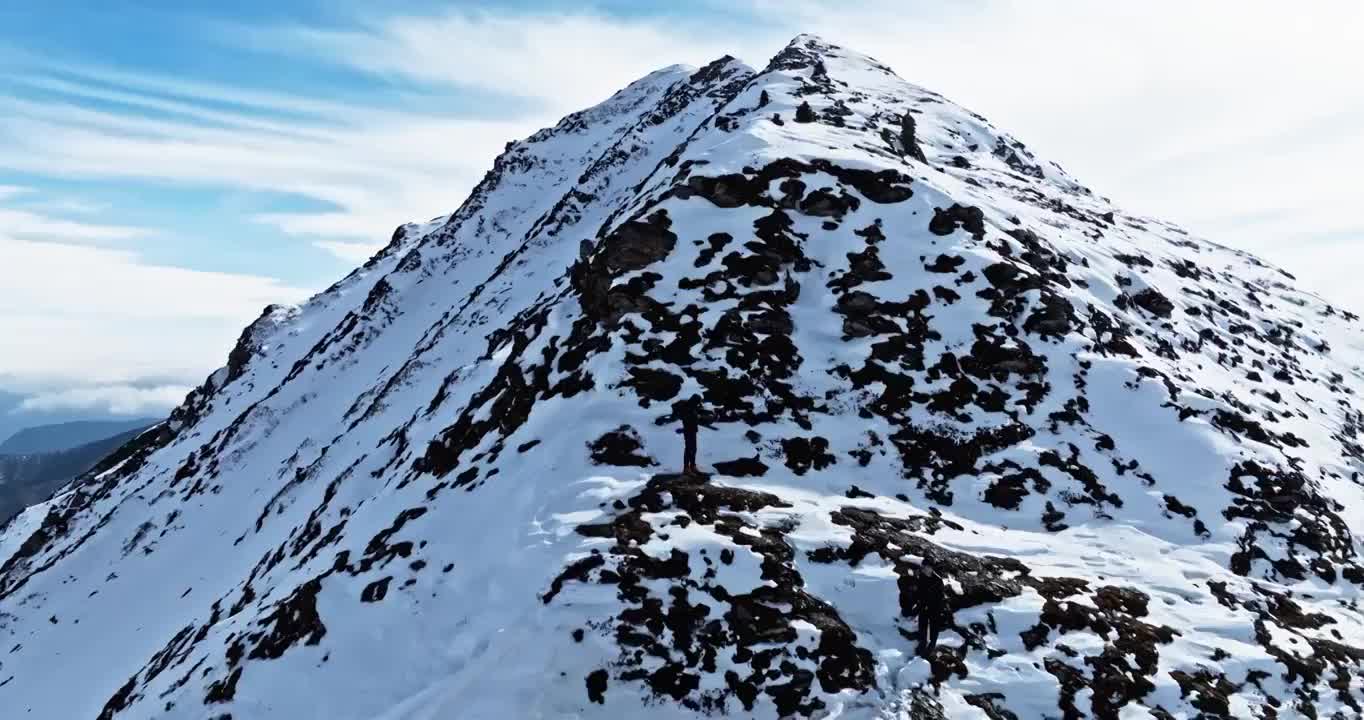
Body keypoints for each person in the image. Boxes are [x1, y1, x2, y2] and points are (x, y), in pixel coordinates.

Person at [673, 394, 712, 475]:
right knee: (689, 449)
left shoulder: (692, 407)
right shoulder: (686, 408)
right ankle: (686, 468)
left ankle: (692, 466)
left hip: (693, 431)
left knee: (693, 449)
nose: (698, 403)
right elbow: (691, 418)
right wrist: (699, 417)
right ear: (694, 400)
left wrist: (706, 413)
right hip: (688, 431)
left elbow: (698, 412)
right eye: (698, 402)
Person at [915, 559, 946, 657]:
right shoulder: (920, 577)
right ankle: (922, 646)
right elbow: (918, 592)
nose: (924, 568)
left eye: (926, 567)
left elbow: (941, 597)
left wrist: (938, 608)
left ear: (931, 568)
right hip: (923, 606)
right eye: (923, 567)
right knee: (922, 627)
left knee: (934, 629)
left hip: (934, 608)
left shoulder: (937, 580)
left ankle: (931, 648)